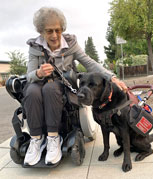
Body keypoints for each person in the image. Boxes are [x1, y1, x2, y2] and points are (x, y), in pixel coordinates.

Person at [23, 7, 127, 166]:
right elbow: (29, 76)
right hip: (40, 83)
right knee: (31, 90)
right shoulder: (34, 47)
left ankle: (53, 138)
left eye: (57, 30)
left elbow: (90, 63)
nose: (54, 35)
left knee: (50, 89)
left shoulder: (70, 43)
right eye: (49, 31)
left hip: (62, 85)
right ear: (41, 31)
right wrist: (38, 73)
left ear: (62, 29)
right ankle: (36, 139)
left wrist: (112, 77)